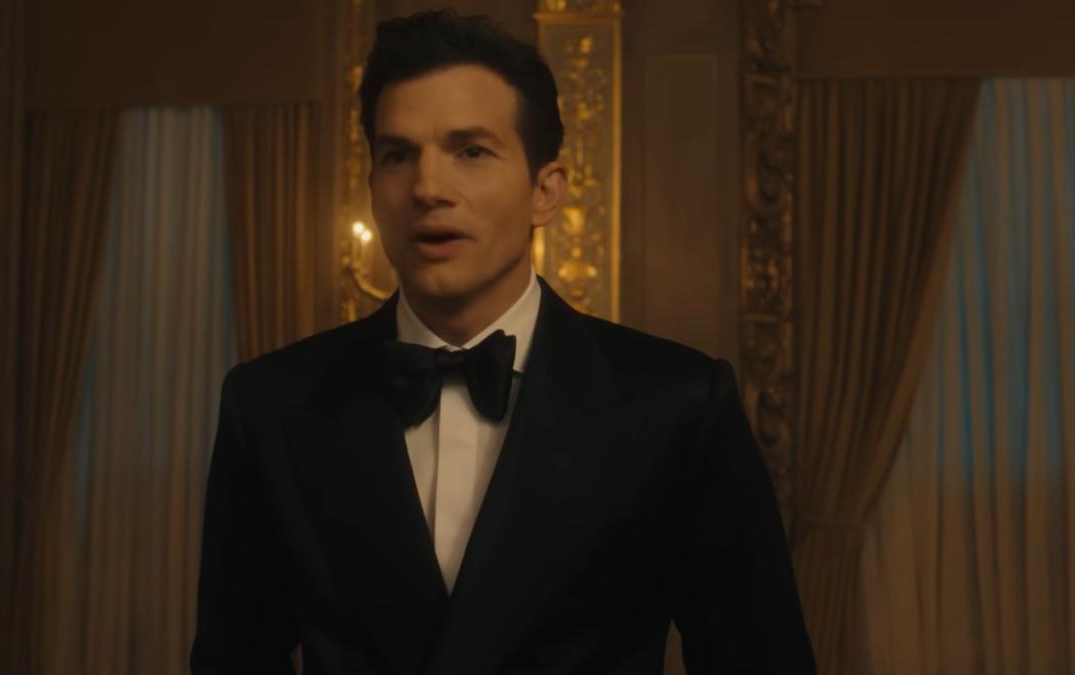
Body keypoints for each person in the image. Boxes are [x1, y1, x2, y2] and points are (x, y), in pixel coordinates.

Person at [190, 10, 815, 675]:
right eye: (398, 155)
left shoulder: (676, 406)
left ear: (546, 192)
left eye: (471, 152)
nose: (428, 188)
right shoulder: (271, 406)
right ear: (372, 189)